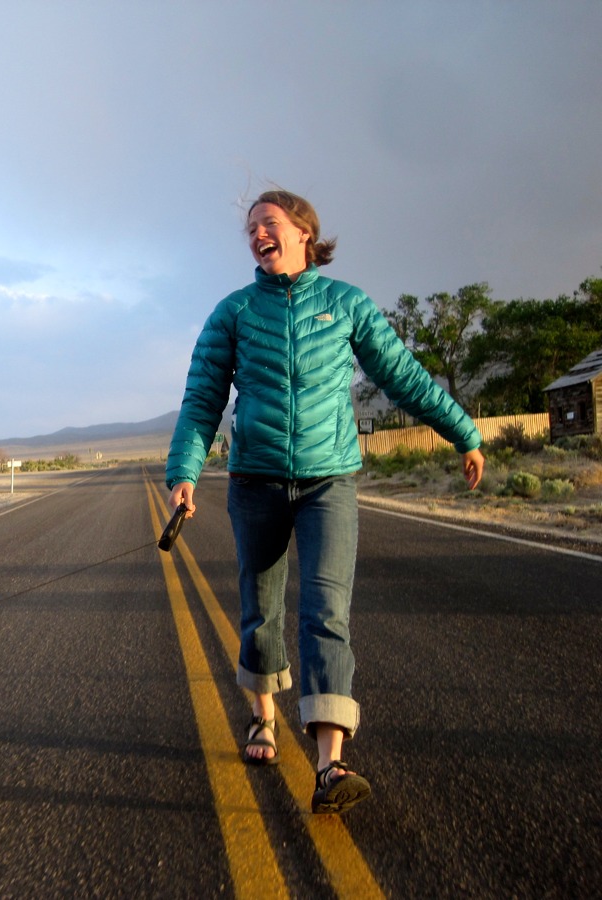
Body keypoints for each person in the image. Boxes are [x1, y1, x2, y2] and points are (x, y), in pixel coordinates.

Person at [165, 188, 485, 815]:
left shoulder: (345, 305)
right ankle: (263, 718)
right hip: (255, 481)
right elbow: (202, 399)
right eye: (252, 227)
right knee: (261, 610)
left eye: (271, 223)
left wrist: (463, 432)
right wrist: (184, 471)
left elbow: (403, 375)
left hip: (328, 482)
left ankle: (330, 763)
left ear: (304, 232)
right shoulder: (232, 313)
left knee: (326, 612)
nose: (259, 233)